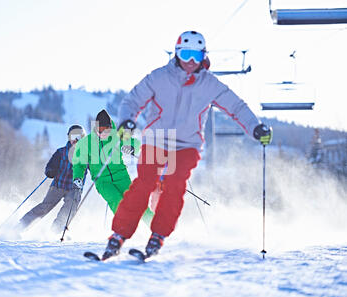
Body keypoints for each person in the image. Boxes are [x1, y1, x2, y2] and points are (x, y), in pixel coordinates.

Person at [102, 31, 273, 259]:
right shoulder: (159, 77)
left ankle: (158, 235)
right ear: (177, 53)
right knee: (144, 184)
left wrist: (255, 127)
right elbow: (132, 100)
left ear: (203, 56)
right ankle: (118, 235)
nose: (191, 62)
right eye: (186, 54)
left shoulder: (210, 85)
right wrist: (126, 121)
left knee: (174, 185)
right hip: (156, 140)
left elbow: (237, 107)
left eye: (196, 55)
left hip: (186, 145)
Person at [72, 109, 154, 227]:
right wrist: (77, 177)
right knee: (116, 200)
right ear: (96, 128)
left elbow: (135, 143)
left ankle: (155, 225)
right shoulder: (86, 143)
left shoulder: (117, 136)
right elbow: (79, 164)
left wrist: (131, 147)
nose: (103, 133)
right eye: (100, 130)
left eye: (106, 129)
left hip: (122, 177)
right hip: (102, 180)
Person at [17, 125, 87, 234]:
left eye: (79, 137)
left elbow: (94, 169)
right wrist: (50, 170)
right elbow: (51, 165)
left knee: (70, 209)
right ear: (69, 137)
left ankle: (56, 231)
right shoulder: (61, 152)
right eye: (73, 137)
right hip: (58, 185)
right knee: (45, 207)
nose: (76, 140)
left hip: (74, 189)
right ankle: (20, 226)